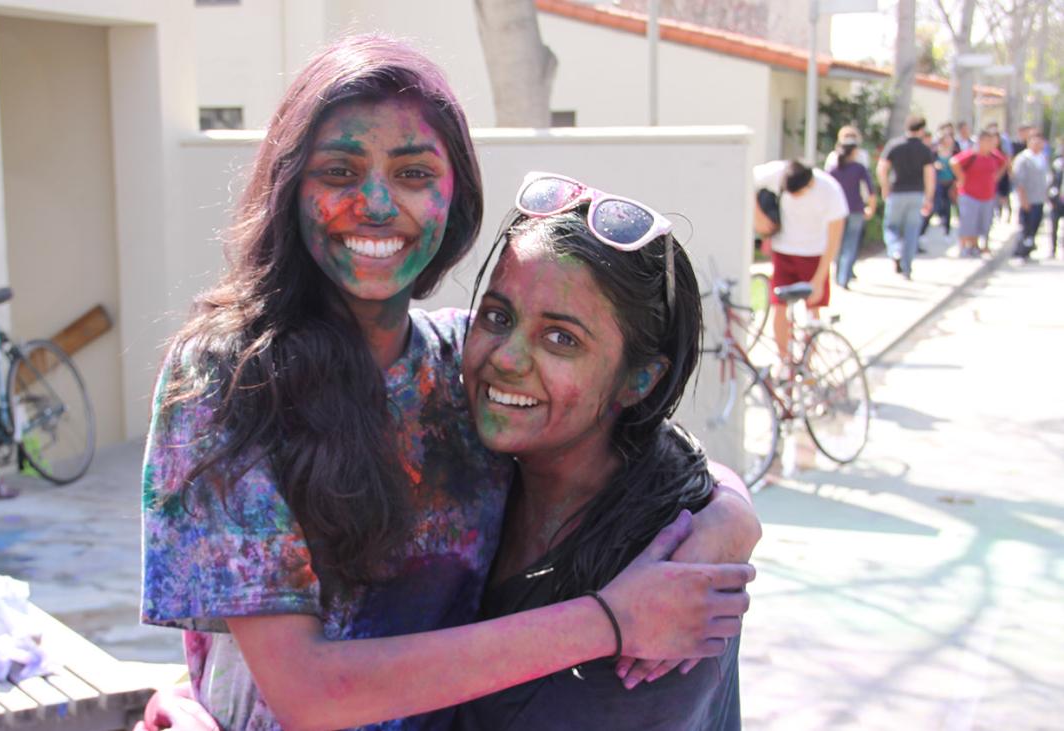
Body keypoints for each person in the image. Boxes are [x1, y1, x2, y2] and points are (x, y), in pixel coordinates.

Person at [139, 36, 757, 731]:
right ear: (290, 187)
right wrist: (611, 620)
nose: (375, 203)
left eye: (411, 172)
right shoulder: (231, 381)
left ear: (454, 195)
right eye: (339, 170)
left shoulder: (463, 361)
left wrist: (730, 516)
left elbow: (634, 432)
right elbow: (308, 691)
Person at [453, 182, 752, 730]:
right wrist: (735, 506)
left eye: (561, 339)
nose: (508, 358)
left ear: (639, 380)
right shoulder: (480, 459)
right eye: (498, 317)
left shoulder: (669, 589)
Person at [752, 160, 847, 363]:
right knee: (779, 306)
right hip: (783, 251)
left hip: (814, 255)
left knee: (813, 311)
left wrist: (819, 279)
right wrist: (757, 215)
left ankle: (807, 364)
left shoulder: (829, 190)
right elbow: (745, 178)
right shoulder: (779, 172)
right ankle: (785, 361)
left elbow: (834, 239)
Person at [876, 115, 935, 279]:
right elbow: (929, 176)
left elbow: (882, 168)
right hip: (916, 193)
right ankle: (907, 268)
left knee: (891, 227)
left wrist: (885, 186)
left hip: (897, 192)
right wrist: (929, 198)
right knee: (912, 231)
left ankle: (895, 250)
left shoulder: (894, 145)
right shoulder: (924, 149)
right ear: (922, 130)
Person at [951, 129, 1010, 257]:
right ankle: (964, 247)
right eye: (987, 141)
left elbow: (1005, 162)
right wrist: (961, 178)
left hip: (988, 195)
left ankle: (976, 246)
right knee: (968, 222)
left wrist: (997, 176)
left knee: (982, 223)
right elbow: (954, 162)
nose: (990, 144)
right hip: (969, 194)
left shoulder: (994, 156)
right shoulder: (972, 155)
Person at [826, 139, 876, 289]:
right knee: (850, 244)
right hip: (855, 209)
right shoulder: (859, 168)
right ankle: (844, 277)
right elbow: (871, 190)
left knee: (837, 243)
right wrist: (871, 208)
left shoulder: (834, 170)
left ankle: (837, 275)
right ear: (853, 152)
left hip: (837, 211)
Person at [1011, 132, 1051, 261]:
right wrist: (1023, 199)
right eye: (1035, 141)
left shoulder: (1042, 158)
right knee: (1025, 226)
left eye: (1040, 142)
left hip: (1039, 198)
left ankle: (1028, 251)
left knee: (1035, 226)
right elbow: (1019, 181)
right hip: (1027, 199)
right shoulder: (1023, 158)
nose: (1038, 144)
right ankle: (1020, 252)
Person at [920, 134, 957, 239]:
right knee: (934, 206)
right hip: (937, 183)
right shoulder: (934, 152)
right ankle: (922, 232)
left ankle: (947, 231)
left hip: (949, 183)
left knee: (947, 207)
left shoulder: (954, 152)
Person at [1050, 138, 1064, 258]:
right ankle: (1053, 249)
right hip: (1058, 199)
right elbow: (1052, 182)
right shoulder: (1057, 164)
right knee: (1054, 225)